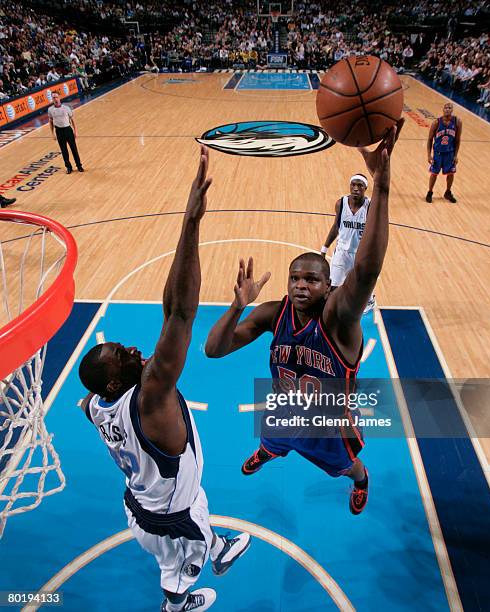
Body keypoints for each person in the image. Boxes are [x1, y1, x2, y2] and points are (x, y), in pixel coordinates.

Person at [78, 147, 250, 612]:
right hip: (169, 520)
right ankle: (177, 604)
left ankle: (215, 545)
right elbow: (180, 311)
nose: (132, 349)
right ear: (115, 384)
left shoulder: (97, 404)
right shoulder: (150, 394)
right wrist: (191, 222)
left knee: (196, 495)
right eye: (121, 356)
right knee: (178, 572)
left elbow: (167, 308)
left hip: (143, 502)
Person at [205, 121, 403, 516]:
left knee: (346, 467)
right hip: (284, 407)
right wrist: (237, 307)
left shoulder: (338, 319)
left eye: (311, 279)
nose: (300, 285)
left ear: (329, 286)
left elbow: (367, 268)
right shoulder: (274, 313)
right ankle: (268, 452)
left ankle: (362, 481)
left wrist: (381, 183)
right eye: (294, 278)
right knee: (274, 439)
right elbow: (214, 350)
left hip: (331, 421)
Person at [320, 173, 375, 313]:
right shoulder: (341, 203)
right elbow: (336, 227)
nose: (356, 188)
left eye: (360, 185)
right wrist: (324, 248)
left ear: (365, 188)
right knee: (332, 285)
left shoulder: (370, 207)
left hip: (360, 254)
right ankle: (329, 311)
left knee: (361, 285)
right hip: (342, 252)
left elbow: (374, 233)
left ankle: (370, 299)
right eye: (353, 185)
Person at [426, 103, 461, 203]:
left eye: (450, 108)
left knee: (451, 174)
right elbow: (429, 140)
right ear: (443, 109)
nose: (447, 109)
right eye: (446, 107)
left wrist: (455, 155)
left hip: (450, 153)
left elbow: (457, 140)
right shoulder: (436, 123)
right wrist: (429, 155)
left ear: (452, 110)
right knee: (434, 174)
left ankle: (448, 192)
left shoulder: (457, 122)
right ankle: (430, 192)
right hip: (438, 153)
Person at [48, 91, 84, 174]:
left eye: (56, 97)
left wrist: (75, 131)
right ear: (52, 99)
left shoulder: (66, 108)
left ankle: (79, 166)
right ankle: (68, 167)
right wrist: (52, 133)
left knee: (74, 149)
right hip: (59, 131)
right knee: (64, 150)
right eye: (53, 97)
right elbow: (50, 121)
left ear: (59, 97)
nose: (55, 99)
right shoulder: (50, 110)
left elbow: (72, 120)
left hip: (68, 129)